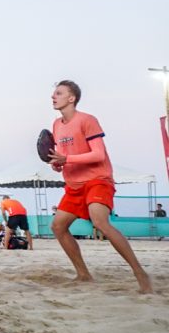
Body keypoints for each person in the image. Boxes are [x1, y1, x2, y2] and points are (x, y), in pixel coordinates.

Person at [45, 80, 152, 293]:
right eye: (53, 94)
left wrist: (67, 158)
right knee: (58, 226)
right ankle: (83, 274)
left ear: (71, 98)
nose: (53, 97)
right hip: (74, 185)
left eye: (58, 93)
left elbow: (98, 154)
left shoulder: (87, 120)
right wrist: (58, 164)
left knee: (100, 222)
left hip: (97, 180)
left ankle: (139, 272)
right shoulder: (56, 125)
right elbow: (66, 157)